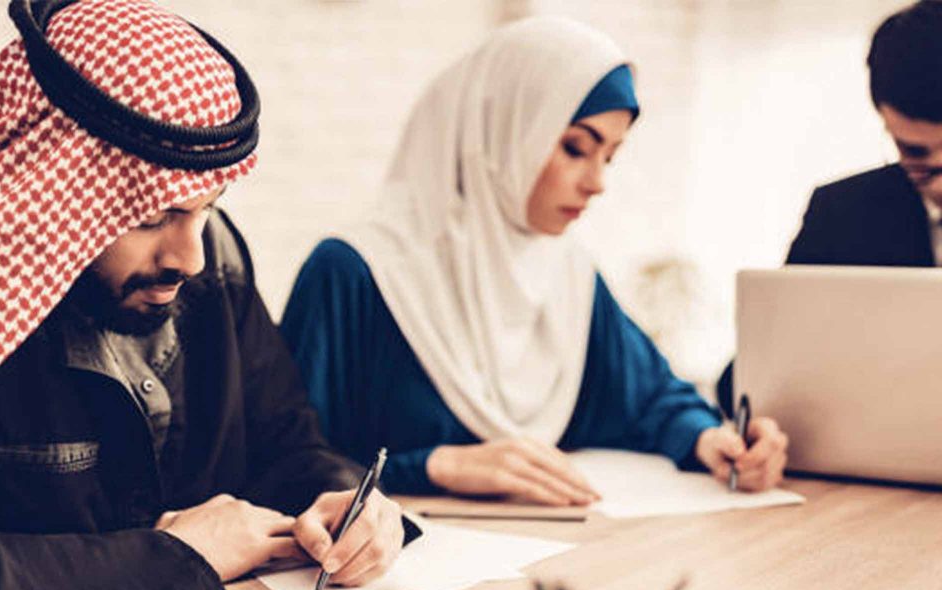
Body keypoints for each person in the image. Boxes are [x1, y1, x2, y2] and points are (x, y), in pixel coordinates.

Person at [0, 0, 410, 590]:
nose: (191, 257)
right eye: (152, 216)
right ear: (53, 192)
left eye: (205, 212)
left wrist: (351, 504)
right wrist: (169, 558)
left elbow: (286, 443)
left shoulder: (212, 265)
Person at [280, 17, 789, 507]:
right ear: (499, 133)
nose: (597, 183)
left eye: (609, 156)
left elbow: (651, 398)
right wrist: (435, 467)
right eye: (574, 149)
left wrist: (713, 443)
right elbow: (287, 465)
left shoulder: (567, 276)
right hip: (386, 580)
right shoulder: (354, 273)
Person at [716, 0, 942, 414]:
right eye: (918, 157)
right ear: (885, 122)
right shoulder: (844, 213)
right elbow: (746, 384)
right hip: (874, 465)